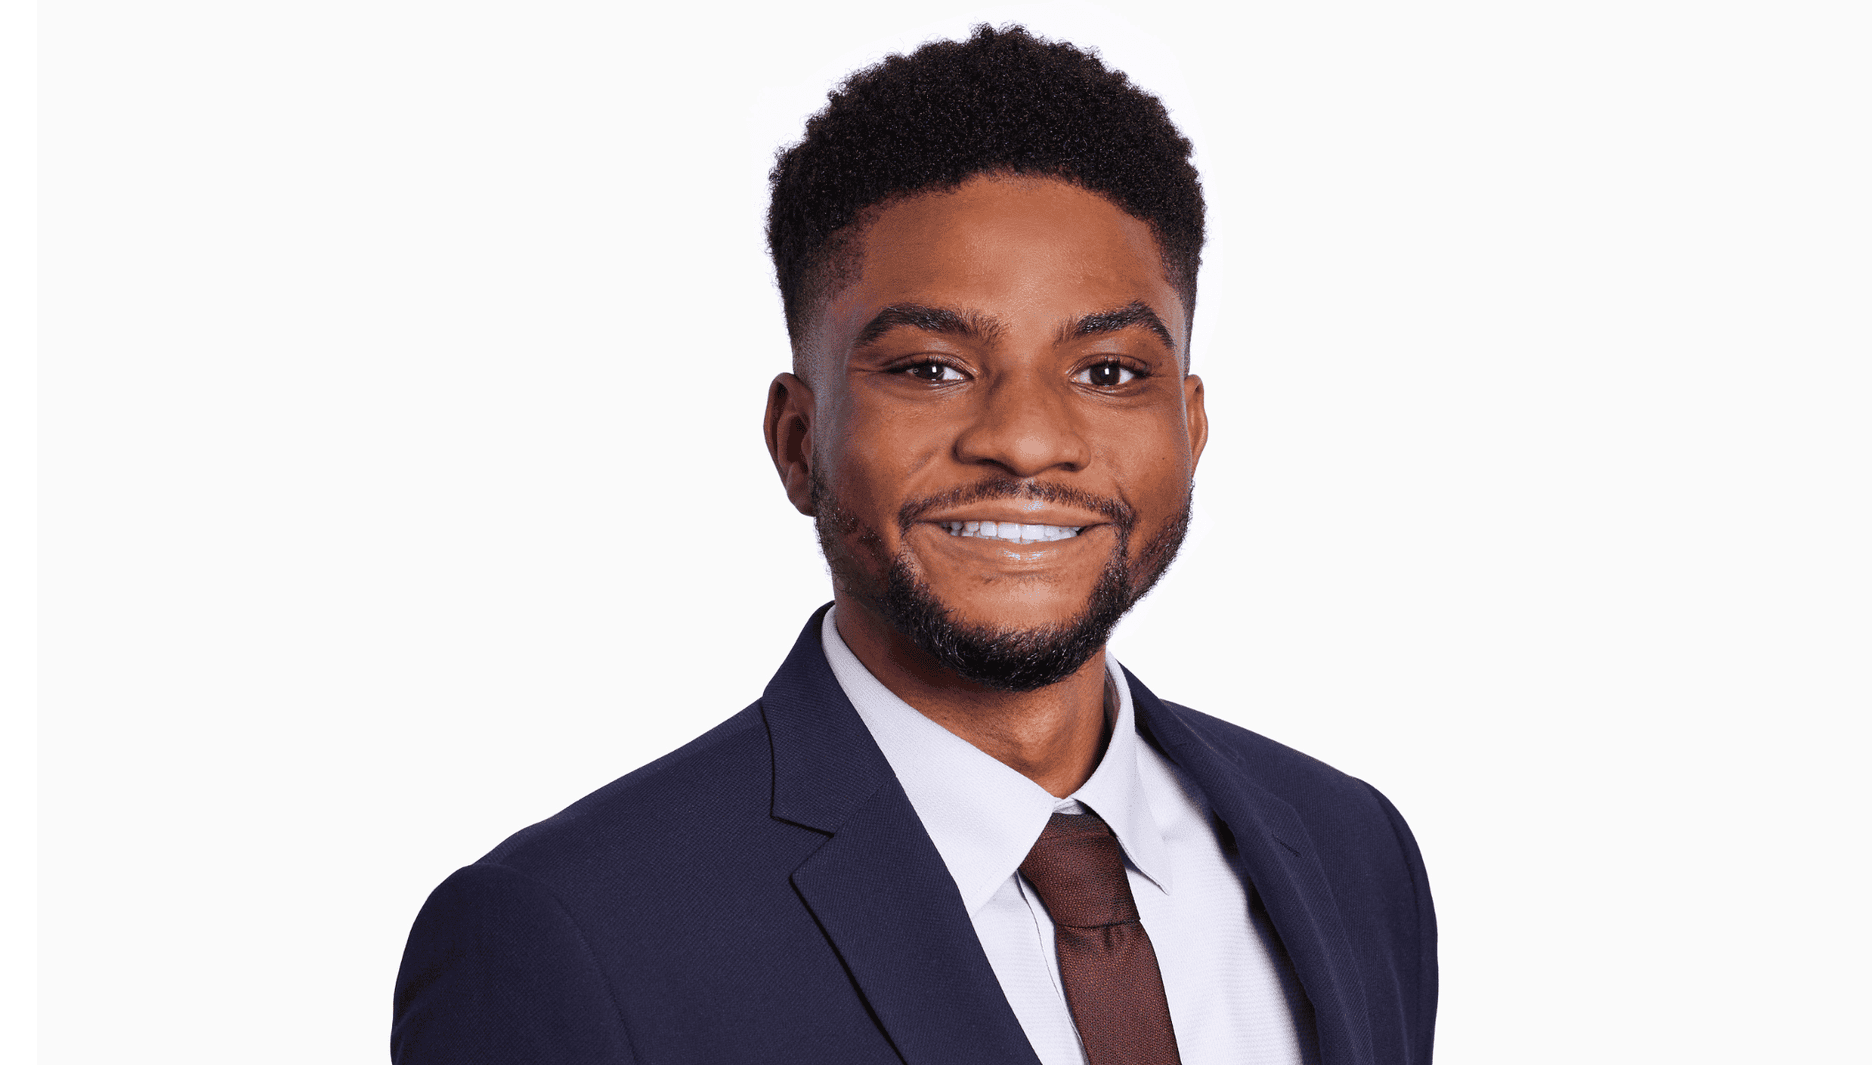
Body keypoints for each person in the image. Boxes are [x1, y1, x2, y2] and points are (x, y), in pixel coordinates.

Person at [392, 25, 1435, 1065]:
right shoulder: (568, 938)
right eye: (932, 368)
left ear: (1190, 430)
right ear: (799, 441)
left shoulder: (1350, 854)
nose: (1027, 440)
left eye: (1110, 372)